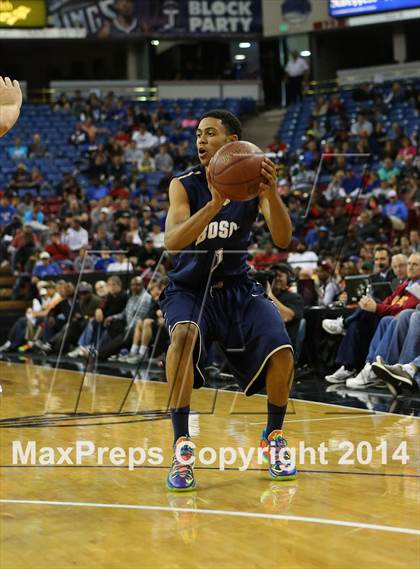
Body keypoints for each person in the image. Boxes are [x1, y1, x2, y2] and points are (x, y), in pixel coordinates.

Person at [159, 109, 295, 491]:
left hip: (237, 288)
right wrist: (214, 204)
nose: (200, 140)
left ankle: (273, 437)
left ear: (233, 142)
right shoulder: (183, 184)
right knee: (182, 338)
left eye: (210, 133)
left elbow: (283, 239)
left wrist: (272, 194)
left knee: (283, 351)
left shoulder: (254, 183)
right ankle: (182, 446)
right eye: (198, 134)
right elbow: (172, 242)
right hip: (189, 291)